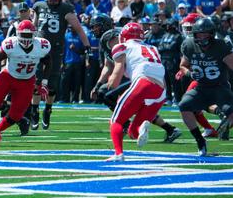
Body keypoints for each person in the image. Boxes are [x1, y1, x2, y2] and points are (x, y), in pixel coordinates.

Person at [91, 28, 181, 144]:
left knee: (108, 96)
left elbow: (116, 69)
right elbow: (108, 66)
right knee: (134, 124)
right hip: (157, 84)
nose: (110, 45)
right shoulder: (146, 46)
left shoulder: (123, 44)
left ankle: (124, 124)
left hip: (139, 78)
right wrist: (98, 85)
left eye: (111, 41)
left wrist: (110, 85)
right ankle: (168, 129)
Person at [31, 0, 91, 130]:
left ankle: (48, 109)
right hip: (39, 48)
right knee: (36, 82)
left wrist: (87, 45)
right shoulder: (39, 6)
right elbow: (34, 25)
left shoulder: (66, 9)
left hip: (56, 50)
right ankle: (34, 111)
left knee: (52, 83)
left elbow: (78, 28)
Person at [104, 23, 167, 161]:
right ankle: (141, 128)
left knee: (116, 120)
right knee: (132, 132)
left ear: (125, 35)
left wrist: (112, 83)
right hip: (161, 90)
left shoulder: (122, 46)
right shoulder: (153, 48)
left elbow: (119, 68)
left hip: (143, 82)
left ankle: (118, 153)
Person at [178, 18, 233, 156]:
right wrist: (189, 73)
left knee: (231, 111)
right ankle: (200, 141)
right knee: (184, 105)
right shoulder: (189, 45)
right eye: (199, 34)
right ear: (194, 34)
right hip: (201, 87)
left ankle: (226, 125)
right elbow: (183, 65)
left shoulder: (221, 46)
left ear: (212, 34)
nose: (202, 37)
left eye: (205, 34)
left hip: (220, 87)